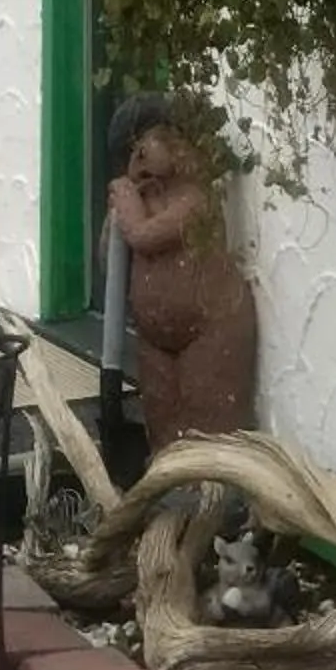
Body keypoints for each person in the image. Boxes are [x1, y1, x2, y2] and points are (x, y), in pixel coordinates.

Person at [105, 93, 258, 449]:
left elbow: (144, 236)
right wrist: (113, 226)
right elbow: (112, 260)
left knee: (209, 429)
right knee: (164, 429)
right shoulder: (142, 201)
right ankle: (170, 486)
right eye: (129, 152)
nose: (136, 161)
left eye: (143, 145)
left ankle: (213, 494)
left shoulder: (197, 200)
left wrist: (128, 210)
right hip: (154, 338)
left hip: (209, 330)